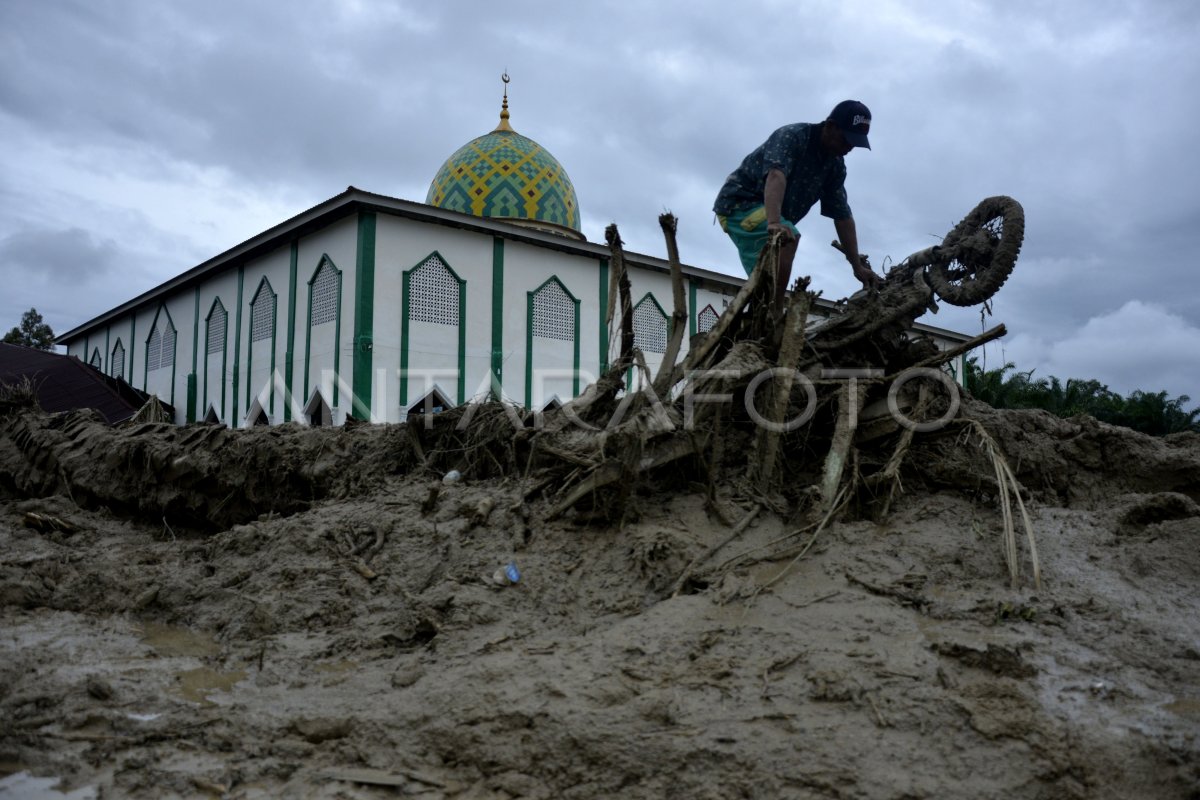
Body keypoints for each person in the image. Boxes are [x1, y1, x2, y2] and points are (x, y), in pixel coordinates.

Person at [714, 100, 880, 306]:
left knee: (771, 265)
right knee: (788, 238)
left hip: (768, 214)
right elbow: (776, 174)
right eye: (846, 139)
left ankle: (763, 307)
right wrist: (774, 223)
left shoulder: (835, 166)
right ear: (830, 126)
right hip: (739, 205)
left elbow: (843, 216)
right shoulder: (792, 137)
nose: (849, 148)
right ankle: (772, 312)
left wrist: (857, 266)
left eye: (855, 143)